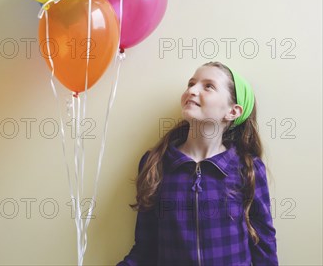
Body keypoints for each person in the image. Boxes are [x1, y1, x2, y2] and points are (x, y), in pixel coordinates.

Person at [116, 61, 279, 266]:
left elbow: (264, 246)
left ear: (233, 111)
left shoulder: (248, 168)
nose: (192, 90)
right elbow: (145, 249)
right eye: (190, 84)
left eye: (208, 86)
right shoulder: (155, 163)